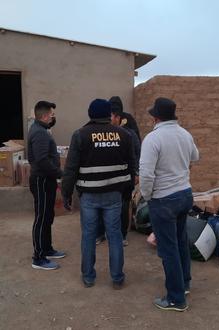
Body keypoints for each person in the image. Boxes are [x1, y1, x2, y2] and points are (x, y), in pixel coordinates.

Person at [61, 99, 135, 289]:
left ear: (90, 114)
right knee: (115, 236)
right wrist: (127, 192)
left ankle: (88, 277)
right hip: (114, 195)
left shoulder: (80, 135)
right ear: (109, 114)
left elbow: (70, 169)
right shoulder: (124, 135)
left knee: (88, 236)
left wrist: (67, 194)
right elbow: (131, 167)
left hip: (89, 196)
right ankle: (117, 278)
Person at [140, 97, 199, 312]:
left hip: (164, 199)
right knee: (180, 241)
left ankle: (176, 299)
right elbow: (196, 156)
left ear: (155, 117)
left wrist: (148, 196)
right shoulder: (185, 134)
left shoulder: (153, 139)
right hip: (184, 194)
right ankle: (183, 284)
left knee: (168, 249)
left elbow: (146, 174)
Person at [95, 96, 142, 245]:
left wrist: (136, 173)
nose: (111, 118)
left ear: (117, 116)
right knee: (104, 203)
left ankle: (121, 235)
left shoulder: (129, 130)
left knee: (123, 204)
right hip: (109, 175)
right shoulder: (103, 129)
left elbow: (137, 152)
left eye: (113, 115)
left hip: (126, 175)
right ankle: (100, 233)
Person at [28, 101, 66, 270]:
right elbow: (41, 160)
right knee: (42, 218)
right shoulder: (40, 133)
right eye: (51, 114)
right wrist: (60, 174)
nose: (53, 116)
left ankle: (47, 249)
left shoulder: (41, 130)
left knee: (47, 216)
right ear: (44, 116)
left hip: (46, 180)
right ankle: (39, 257)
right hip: (42, 180)